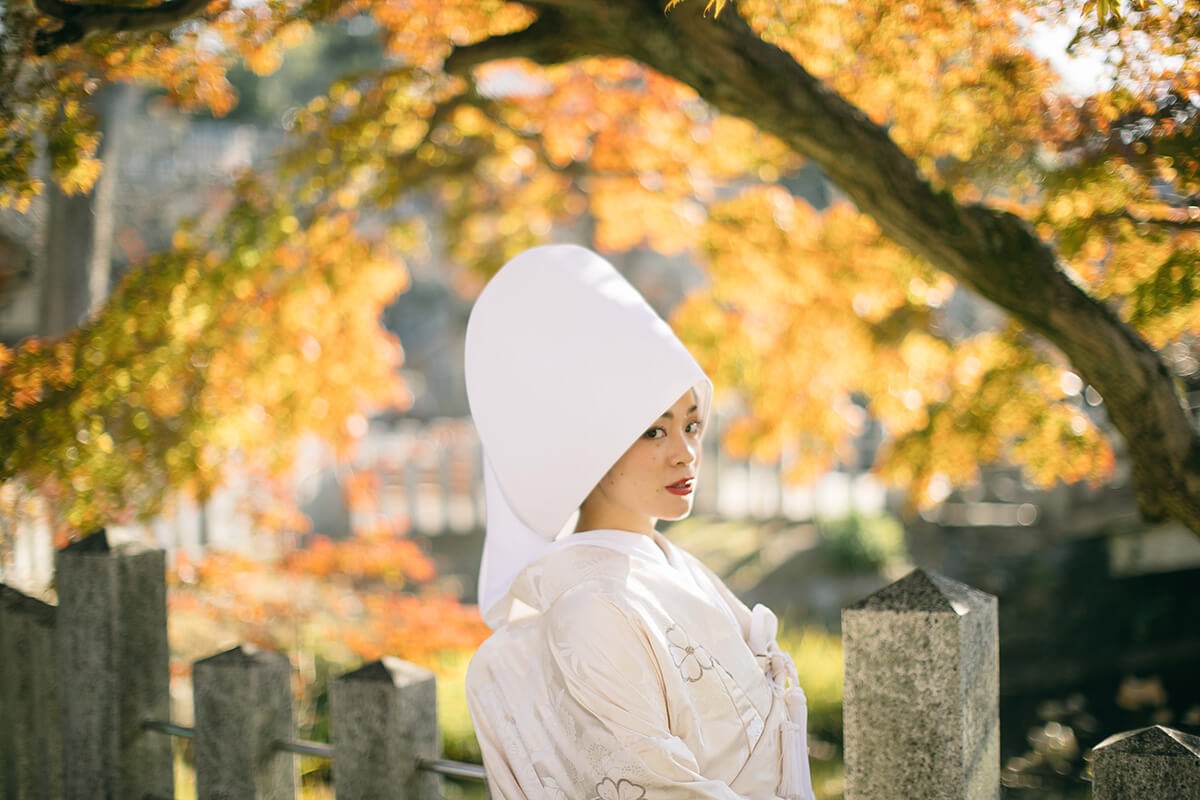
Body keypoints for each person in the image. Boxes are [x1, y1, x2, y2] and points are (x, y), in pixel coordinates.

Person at [463, 245, 816, 800]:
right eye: (654, 431)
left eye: (693, 425)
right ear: (591, 449)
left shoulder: (676, 567)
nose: (686, 453)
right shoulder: (591, 608)